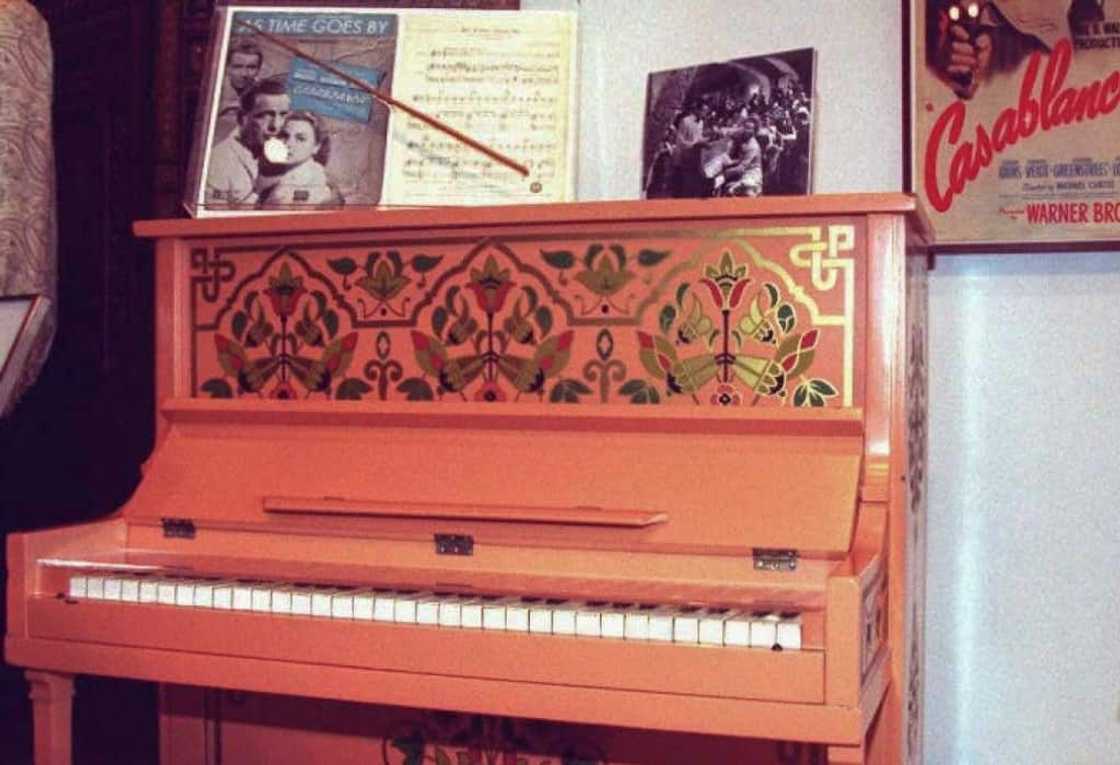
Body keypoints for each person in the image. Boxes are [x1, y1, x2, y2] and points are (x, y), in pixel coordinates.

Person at [205, 76, 290, 207]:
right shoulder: (216, 162)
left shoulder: (287, 152)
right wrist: (257, 191)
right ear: (241, 119)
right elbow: (215, 222)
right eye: (264, 115)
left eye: (283, 115)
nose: (276, 125)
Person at [258, 111, 343, 208]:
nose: (288, 144)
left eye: (300, 138)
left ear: (316, 146)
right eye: (285, 136)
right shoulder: (273, 181)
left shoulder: (318, 186)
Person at [214, 40, 264, 140]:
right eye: (237, 67)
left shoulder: (264, 94)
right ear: (227, 68)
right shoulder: (214, 93)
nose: (244, 74)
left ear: (258, 70)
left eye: (251, 67)